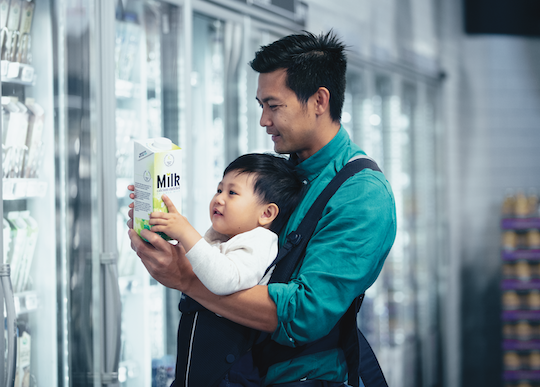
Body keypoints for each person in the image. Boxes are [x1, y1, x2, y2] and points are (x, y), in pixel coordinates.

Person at [128, 30, 397, 386]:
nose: (264, 121)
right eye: (261, 106)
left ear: (319, 100)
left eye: (274, 106)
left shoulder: (362, 195)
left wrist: (185, 277)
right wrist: (166, 237)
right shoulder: (284, 173)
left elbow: (303, 314)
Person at [130, 153, 305, 386]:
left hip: (228, 373)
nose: (219, 198)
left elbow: (225, 279)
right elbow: (192, 266)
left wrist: (185, 232)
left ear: (267, 214)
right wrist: (150, 224)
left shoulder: (261, 242)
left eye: (232, 193)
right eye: (219, 189)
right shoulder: (224, 237)